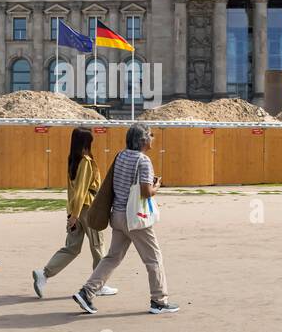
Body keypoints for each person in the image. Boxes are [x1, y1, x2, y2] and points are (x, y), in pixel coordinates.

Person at [72, 123, 176, 315]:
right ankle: (159, 300)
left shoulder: (120, 155)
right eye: (151, 135)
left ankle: (87, 292)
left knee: (112, 257)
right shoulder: (144, 161)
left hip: (117, 215)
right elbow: (145, 192)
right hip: (135, 217)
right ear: (143, 140)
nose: (153, 138)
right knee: (153, 259)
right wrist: (157, 186)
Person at [32, 127, 117, 299]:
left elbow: (73, 192)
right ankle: (98, 285)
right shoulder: (86, 161)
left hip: (76, 210)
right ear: (86, 143)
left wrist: (71, 214)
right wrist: (75, 215)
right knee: (98, 247)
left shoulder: (73, 160)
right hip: (88, 209)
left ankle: (44, 274)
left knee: (72, 248)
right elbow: (81, 191)